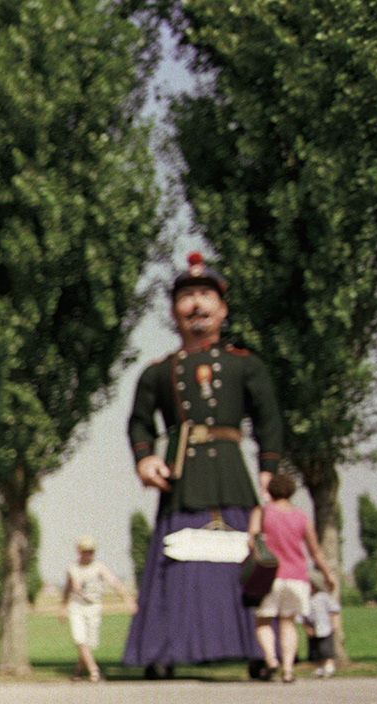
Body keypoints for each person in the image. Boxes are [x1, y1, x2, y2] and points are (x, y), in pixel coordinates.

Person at [121, 252, 285, 678]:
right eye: (187, 296)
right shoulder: (158, 373)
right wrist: (145, 459)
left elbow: (268, 418)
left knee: (243, 564)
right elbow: (139, 422)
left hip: (232, 478)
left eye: (205, 296)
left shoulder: (245, 365)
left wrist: (268, 468)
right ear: (174, 311)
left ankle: (258, 653)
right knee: (176, 568)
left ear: (222, 309)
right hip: (183, 483)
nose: (196, 305)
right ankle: (162, 653)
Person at [248, 472, 339, 683]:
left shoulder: (261, 512)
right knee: (288, 622)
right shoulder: (302, 517)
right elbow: (315, 551)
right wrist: (329, 574)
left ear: (269, 490)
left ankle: (271, 660)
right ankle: (288, 670)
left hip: (268, 576)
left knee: (263, 621)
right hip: (298, 577)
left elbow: (252, 541)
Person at [59, 536, 136, 682]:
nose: (88, 554)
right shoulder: (72, 568)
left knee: (89, 644)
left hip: (93, 607)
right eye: (86, 551)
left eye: (91, 551)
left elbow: (114, 583)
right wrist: (62, 607)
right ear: (79, 552)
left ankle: (77, 672)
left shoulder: (98, 567)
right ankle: (94, 671)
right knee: (80, 639)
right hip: (77, 607)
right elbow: (66, 589)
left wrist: (127, 599)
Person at [303, 585, 342, 678]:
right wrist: (307, 628)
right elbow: (302, 616)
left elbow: (334, 610)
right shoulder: (305, 598)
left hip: (325, 627)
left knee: (326, 649)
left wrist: (335, 622)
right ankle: (319, 667)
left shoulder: (323, 596)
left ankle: (329, 667)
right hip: (313, 628)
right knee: (315, 650)